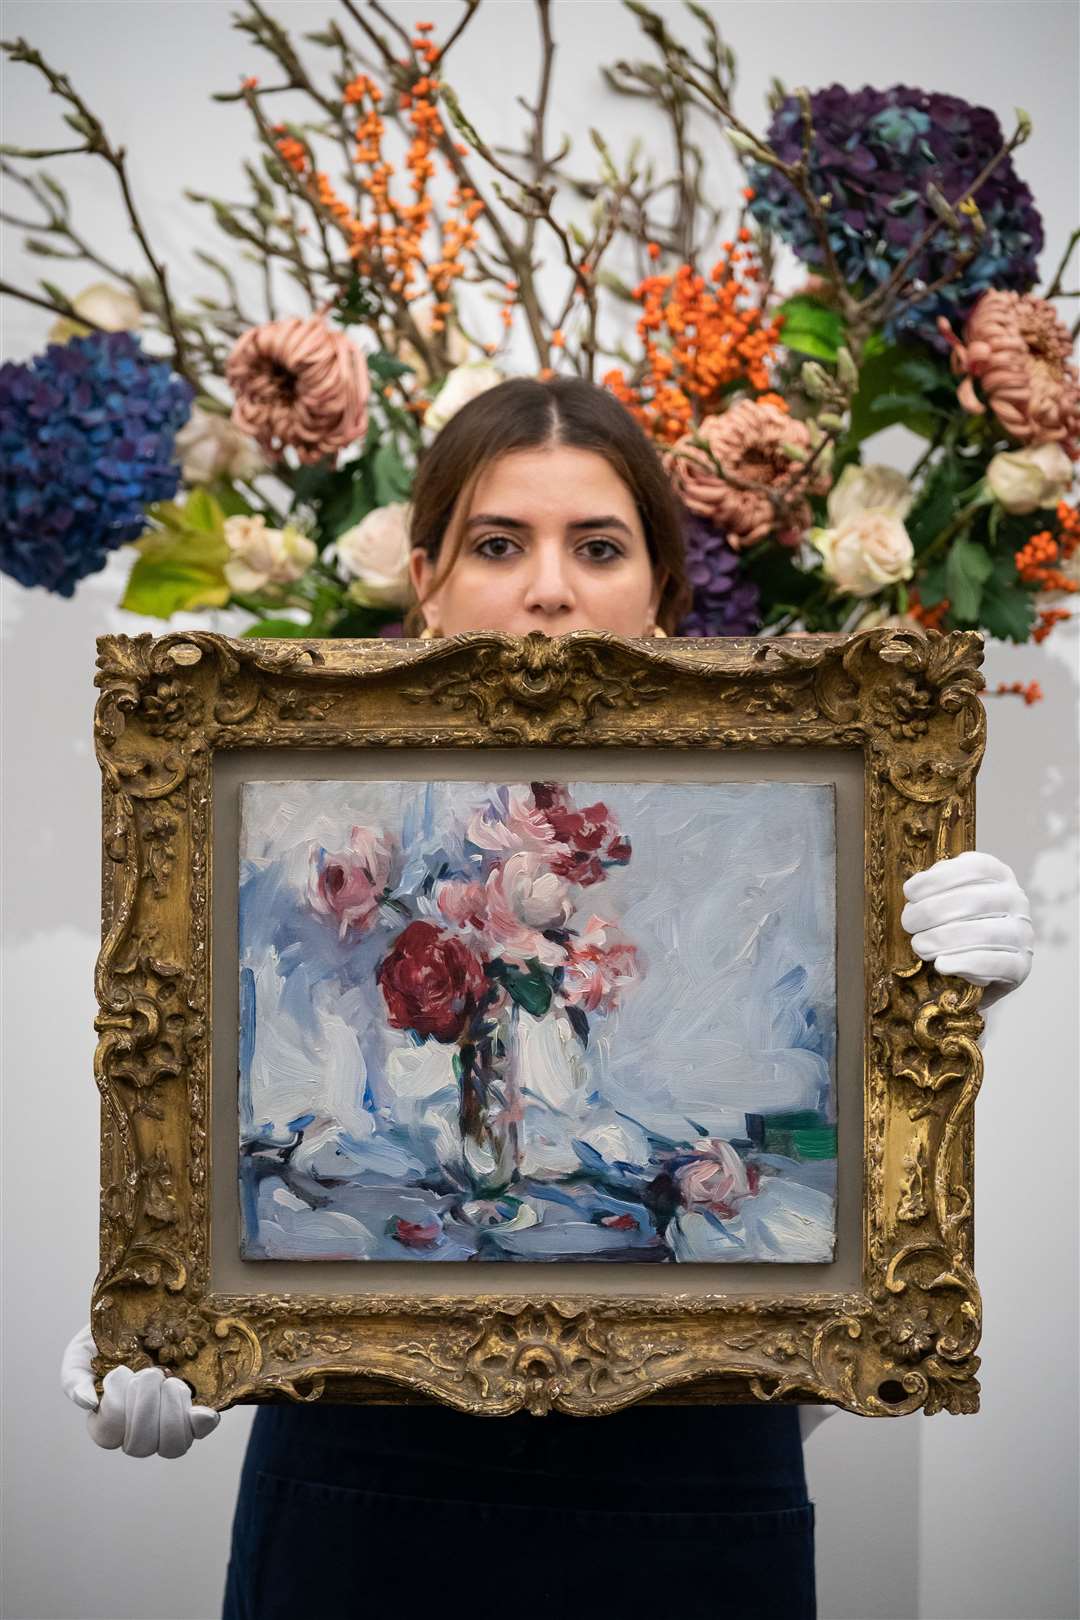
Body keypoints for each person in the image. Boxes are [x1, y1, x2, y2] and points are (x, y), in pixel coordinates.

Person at [61, 377, 1034, 1619]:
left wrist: (927, 1019)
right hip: (362, 1500)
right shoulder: (281, 829)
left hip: (696, 1501)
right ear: (426, 584)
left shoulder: (800, 833)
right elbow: (212, 1121)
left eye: (600, 546)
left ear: (666, 599)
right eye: (499, 543)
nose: (550, 589)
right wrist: (146, 1324)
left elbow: (831, 1213)